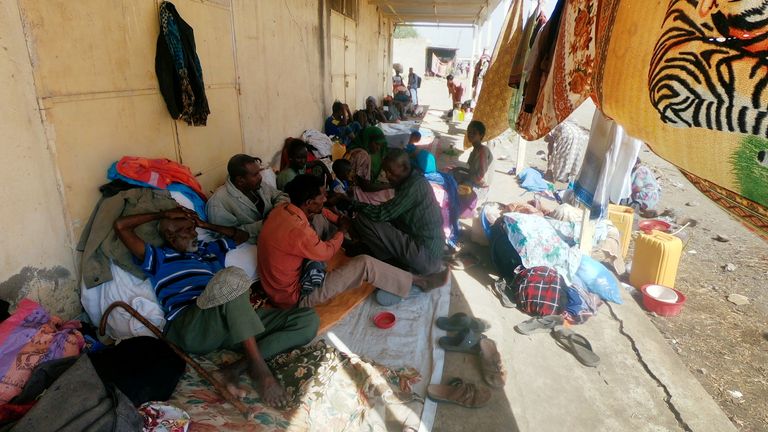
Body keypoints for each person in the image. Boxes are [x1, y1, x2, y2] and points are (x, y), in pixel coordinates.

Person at [114, 207, 319, 408]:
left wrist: (205, 224)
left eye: (194, 228)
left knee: (308, 320)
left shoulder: (206, 251)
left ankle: (235, 369)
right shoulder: (158, 257)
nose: (194, 233)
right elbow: (121, 226)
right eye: (187, 230)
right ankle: (261, 371)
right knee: (230, 278)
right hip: (192, 325)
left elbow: (242, 235)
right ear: (170, 235)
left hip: (227, 323)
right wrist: (161, 213)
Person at [257, 175, 447, 308]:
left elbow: (321, 211)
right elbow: (326, 252)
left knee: (320, 219)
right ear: (308, 202)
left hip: (283, 284)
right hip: (296, 297)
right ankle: (420, 281)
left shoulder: (283, 210)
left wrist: (338, 219)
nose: (325, 198)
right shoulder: (298, 230)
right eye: (322, 196)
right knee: (364, 263)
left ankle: (356, 249)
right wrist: (342, 230)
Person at [352, 150, 446, 284]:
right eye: (385, 171)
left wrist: (352, 204)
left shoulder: (414, 186)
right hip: (429, 254)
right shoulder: (412, 181)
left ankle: (392, 265)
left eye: (390, 171)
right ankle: (393, 262)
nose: (387, 175)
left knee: (364, 219)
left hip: (427, 258)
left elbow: (381, 214)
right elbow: (392, 213)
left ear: (405, 168)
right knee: (381, 219)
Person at [206, 154, 289, 243]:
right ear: (240, 181)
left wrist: (277, 211)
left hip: (274, 232)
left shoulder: (256, 185)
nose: (260, 177)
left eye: (259, 172)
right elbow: (227, 236)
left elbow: (281, 195)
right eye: (255, 174)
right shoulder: (218, 202)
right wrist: (265, 224)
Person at [347, 127, 394, 205]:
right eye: (376, 144)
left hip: (352, 187)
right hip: (355, 192)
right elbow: (366, 187)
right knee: (390, 193)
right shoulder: (363, 155)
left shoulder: (354, 147)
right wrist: (388, 186)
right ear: (368, 140)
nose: (378, 148)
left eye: (380, 145)